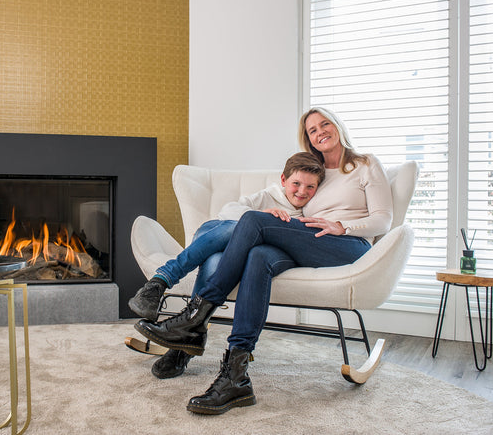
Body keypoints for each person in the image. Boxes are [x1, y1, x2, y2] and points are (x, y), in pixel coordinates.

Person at [134, 107, 394, 415]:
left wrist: (344, 226)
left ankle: (195, 318)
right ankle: (235, 376)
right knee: (258, 255)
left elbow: (384, 219)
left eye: (325, 124)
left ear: (337, 126)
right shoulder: (316, 171)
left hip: (347, 245)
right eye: (312, 130)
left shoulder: (365, 165)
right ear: (307, 139)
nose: (320, 131)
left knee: (253, 222)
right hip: (306, 240)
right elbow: (293, 205)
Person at [129, 152, 325, 379]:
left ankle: (179, 331)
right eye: (296, 184)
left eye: (310, 187)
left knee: (213, 261)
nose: (302, 192)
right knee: (236, 227)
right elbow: (229, 211)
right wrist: (260, 215)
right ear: (283, 181)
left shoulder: (308, 213)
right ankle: (173, 305)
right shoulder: (268, 196)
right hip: (216, 231)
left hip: (225, 251)